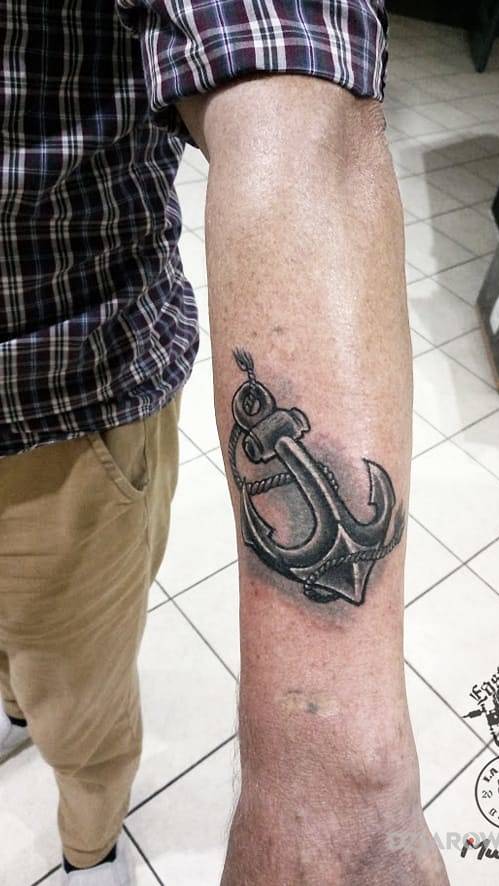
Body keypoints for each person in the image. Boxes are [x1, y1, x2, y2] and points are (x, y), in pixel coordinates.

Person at [0, 1, 449, 884]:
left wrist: (333, 766)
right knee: (15, 644)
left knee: (78, 693)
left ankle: (90, 847)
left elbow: (296, 91)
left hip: (60, 402)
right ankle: (13, 704)